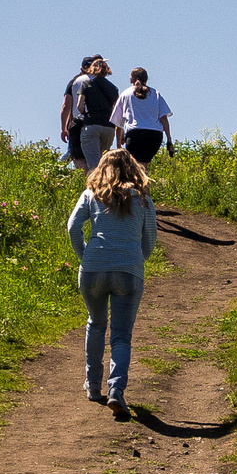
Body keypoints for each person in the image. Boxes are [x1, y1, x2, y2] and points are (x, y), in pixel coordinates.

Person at [67, 145, 158, 416]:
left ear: (102, 168)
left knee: (95, 323)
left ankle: (93, 386)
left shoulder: (91, 195)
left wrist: (86, 256)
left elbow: (73, 228)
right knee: (121, 335)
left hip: (94, 268)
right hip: (128, 270)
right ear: (133, 169)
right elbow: (150, 239)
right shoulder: (142, 199)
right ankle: (116, 390)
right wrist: (136, 259)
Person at [109, 66, 173, 165]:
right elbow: (164, 118)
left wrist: (118, 144)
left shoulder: (126, 94)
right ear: (146, 79)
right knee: (144, 164)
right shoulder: (155, 94)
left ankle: (140, 180)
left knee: (135, 166)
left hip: (135, 134)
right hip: (154, 135)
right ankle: (145, 180)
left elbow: (119, 123)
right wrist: (169, 139)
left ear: (131, 79)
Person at [66, 57, 119, 168]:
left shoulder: (86, 84)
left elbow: (79, 105)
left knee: (93, 163)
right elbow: (116, 109)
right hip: (108, 127)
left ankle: (94, 184)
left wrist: (85, 113)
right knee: (103, 161)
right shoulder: (113, 88)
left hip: (92, 124)